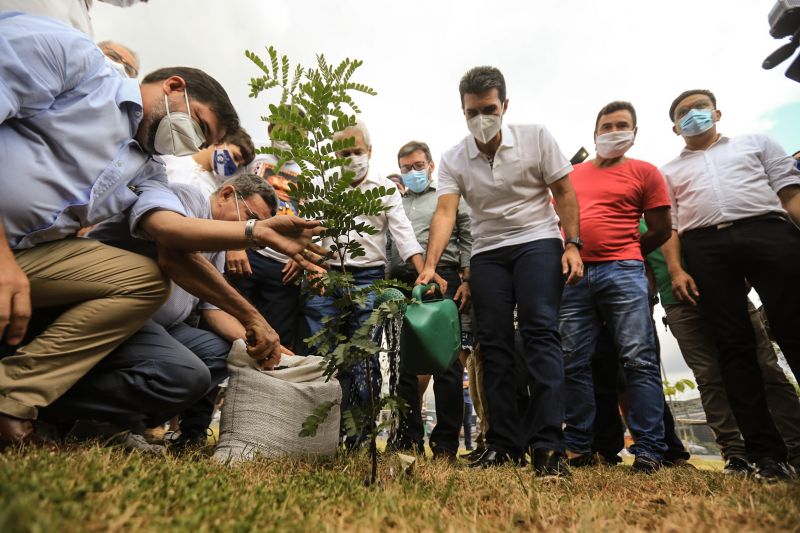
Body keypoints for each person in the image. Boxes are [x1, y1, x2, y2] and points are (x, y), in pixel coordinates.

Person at [0, 13, 320, 446]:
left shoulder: (150, 172)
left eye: (201, 141)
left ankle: (12, 398)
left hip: (29, 258)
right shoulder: (76, 62)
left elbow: (168, 232)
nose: (192, 142)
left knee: (144, 282)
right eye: (200, 127)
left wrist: (255, 233)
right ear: (173, 87)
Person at [417, 66, 582, 478]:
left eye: (489, 109)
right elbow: (445, 211)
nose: (481, 118)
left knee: (540, 330)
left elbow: (563, 192)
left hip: (538, 241)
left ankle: (548, 447)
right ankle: (504, 445)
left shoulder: (537, 138)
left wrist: (573, 244)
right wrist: (431, 265)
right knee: (492, 345)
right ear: (463, 112)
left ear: (505, 106)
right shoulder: (455, 157)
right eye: (472, 112)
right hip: (489, 251)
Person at [47, 174, 279, 452]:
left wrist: (266, 342)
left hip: (161, 328)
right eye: (249, 218)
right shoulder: (184, 200)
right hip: (115, 316)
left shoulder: (217, 245)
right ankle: (58, 406)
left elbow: (212, 309)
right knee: (186, 374)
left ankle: (110, 424)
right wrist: (255, 318)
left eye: (255, 226)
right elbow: (177, 256)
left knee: (224, 352)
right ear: (227, 194)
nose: (247, 229)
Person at [661, 88, 800, 482]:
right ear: (675, 127)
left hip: (769, 231)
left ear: (716, 112)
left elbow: (790, 194)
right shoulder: (669, 171)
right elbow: (670, 226)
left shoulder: (757, 144)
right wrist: (676, 269)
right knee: (733, 348)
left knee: (794, 329)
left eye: (700, 109)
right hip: (706, 247)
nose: (694, 116)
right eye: (684, 113)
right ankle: (765, 455)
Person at [305, 121, 440, 440]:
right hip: (328, 277)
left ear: (369, 151)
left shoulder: (384, 188)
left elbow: (404, 234)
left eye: (356, 151)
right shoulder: (324, 186)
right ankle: (322, 438)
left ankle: (358, 439)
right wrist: (314, 269)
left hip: (368, 280)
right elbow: (310, 232)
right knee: (323, 358)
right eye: (344, 153)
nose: (351, 158)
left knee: (362, 360)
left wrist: (423, 270)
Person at [558, 101, 672, 473]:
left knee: (638, 359)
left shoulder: (646, 172)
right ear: (595, 134)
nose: (613, 131)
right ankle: (578, 446)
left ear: (634, 133)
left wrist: (627, 252)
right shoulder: (571, 174)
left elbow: (659, 228)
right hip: (574, 274)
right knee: (572, 361)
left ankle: (651, 450)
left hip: (623, 271)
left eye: (622, 125)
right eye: (606, 126)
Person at [651, 228, 800, 474]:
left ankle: (795, 449)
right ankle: (735, 454)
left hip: (729, 293)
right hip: (678, 303)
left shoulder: (695, 207)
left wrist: (746, 276)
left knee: (767, 369)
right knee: (709, 378)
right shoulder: (642, 223)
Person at [388, 140, 472, 460]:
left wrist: (467, 278)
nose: (412, 172)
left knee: (446, 364)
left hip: (442, 282)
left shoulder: (446, 197)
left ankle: (446, 444)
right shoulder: (395, 201)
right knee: (404, 365)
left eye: (418, 166)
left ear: (431, 166)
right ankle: (409, 438)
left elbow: (467, 233)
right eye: (406, 167)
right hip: (400, 286)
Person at [227, 112, 313, 354]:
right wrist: (233, 244)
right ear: (270, 130)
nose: (287, 136)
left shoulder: (312, 172)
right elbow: (230, 198)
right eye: (282, 129)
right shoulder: (255, 160)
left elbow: (316, 219)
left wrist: (302, 256)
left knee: (279, 334)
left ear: (306, 135)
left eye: (296, 131)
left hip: (284, 267)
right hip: (247, 255)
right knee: (235, 321)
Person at [163, 127, 255, 196]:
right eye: (235, 156)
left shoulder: (212, 190)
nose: (234, 165)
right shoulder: (174, 154)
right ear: (221, 140)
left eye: (239, 166)